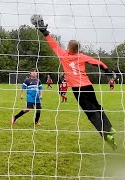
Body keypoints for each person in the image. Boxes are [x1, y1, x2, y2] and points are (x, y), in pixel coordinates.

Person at [33, 17, 117, 149]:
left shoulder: (64, 55)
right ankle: (109, 127)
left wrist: (45, 32)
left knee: (90, 112)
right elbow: (97, 62)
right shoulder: (81, 56)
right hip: (88, 86)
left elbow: (53, 44)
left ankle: (106, 135)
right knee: (97, 106)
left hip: (78, 89)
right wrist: (107, 70)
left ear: (68, 48)